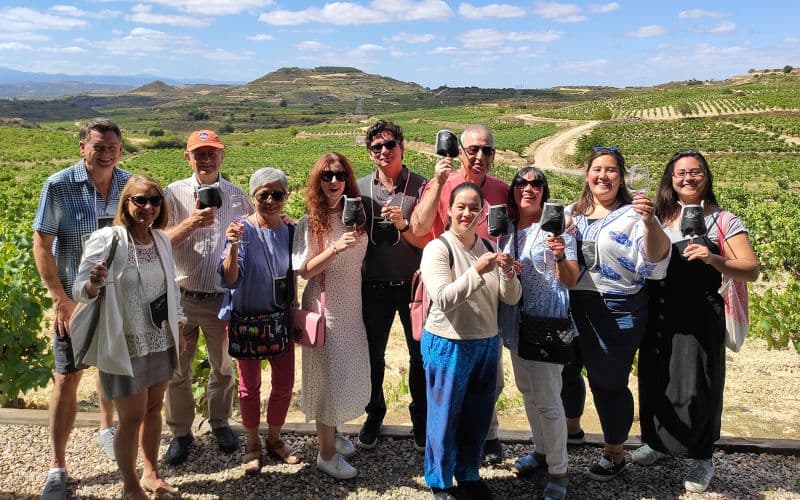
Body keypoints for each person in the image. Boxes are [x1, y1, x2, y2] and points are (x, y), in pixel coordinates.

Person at [633, 150, 759, 493]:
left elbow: (751, 269)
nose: (687, 179)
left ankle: (702, 456)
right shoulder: (660, 215)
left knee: (698, 387)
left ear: (707, 177)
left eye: (695, 172)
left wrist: (713, 257)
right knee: (656, 380)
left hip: (700, 313)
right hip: (659, 310)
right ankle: (658, 443)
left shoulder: (723, 220)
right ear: (670, 180)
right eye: (680, 174)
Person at [33, 118, 130, 499]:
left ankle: (107, 429)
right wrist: (60, 299)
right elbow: (42, 245)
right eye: (97, 146)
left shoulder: (130, 186)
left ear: (120, 150)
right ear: (82, 147)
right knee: (67, 378)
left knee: (112, 369)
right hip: (74, 300)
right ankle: (57, 465)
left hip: (117, 300)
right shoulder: (58, 186)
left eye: (112, 147)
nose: (105, 152)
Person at [560, 147, 671, 481]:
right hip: (570, 305)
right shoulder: (571, 212)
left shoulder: (635, 214)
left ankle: (614, 452)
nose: (602, 176)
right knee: (565, 372)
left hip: (615, 307)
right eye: (596, 169)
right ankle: (572, 430)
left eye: (611, 170)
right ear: (587, 175)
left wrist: (650, 221)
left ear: (621, 177)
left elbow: (656, 258)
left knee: (608, 381)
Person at [73, 175, 184, 500]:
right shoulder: (108, 239)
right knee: (131, 418)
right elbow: (82, 291)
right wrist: (94, 283)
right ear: (126, 203)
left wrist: (179, 324)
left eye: (154, 200)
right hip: (125, 342)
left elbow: (171, 287)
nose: (147, 207)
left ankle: (151, 472)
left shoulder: (161, 240)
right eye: (140, 200)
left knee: (153, 410)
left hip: (160, 339)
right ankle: (130, 485)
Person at [410, 124, 510, 463]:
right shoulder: (443, 183)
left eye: (487, 150)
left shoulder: (501, 190)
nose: (479, 156)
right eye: (473, 149)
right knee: (450, 381)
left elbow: (526, 217)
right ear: (460, 150)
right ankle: (448, 453)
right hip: (449, 292)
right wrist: (437, 182)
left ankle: (487, 434)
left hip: (490, 293)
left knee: (489, 375)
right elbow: (419, 227)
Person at [420, 181, 521, 499]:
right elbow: (442, 298)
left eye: (473, 208)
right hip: (448, 342)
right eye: (460, 206)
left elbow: (511, 298)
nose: (467, 213)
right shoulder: (439, 248)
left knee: (477, 416)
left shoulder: (489, 248)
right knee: (445, 416)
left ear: (482, 213)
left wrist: (508, 274)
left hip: (486, 343)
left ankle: (468, 473)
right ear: (448, 210)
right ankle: (439, 481)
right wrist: (476, 272)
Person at [163, 130, 252, 465]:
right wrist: (192, 222)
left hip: (220, 300)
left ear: (222, 157)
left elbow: (249, 235)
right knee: (177, 370)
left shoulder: (237, 196)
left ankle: (219, 423)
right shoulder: (172, 194)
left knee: (224, 368)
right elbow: (160, 241)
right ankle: (181, 433)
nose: (205, 159)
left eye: (211, 153)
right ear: (187, 158)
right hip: (183, 298)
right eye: (198, 153)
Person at [498, 167, 578, 500]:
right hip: (517, 322)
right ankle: (542, 452)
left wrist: (559, 254)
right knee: (528, 392)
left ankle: (559, 471)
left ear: (544, 190)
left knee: (547, 399)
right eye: (521, 183)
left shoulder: (557, 228)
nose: (528, 188)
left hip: (546, 321)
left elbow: (570, 278)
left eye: (536, 183)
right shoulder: (508, 229)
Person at [293, 152, 370, 479]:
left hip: (351, 307)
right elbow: (305, 271)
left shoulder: (357, 214)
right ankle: (325, 454)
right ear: (318, 181)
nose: (334, 182)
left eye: (339, 175)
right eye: (327, 176)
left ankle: (332, 434)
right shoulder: (311, 221)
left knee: (342, 374)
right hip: (326, 308)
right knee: (329, 380)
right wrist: (336, 247)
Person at [219, 167, 301, 474]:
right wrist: (234, 247)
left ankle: (275, 439)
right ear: (252, 197)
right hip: (247, 319)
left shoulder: (292, 231)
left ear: (286, 197)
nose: (269, 200)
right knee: (248, 387)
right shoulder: (240, 230)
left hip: (280, 318)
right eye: (262, 194)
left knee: (284, 385)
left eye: (276, 194)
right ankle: (252, 444)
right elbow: (229, 278)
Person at [356, 120, 429, 451]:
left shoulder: (423, 188)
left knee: (419, 356)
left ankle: (421, 417)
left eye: (389, 145)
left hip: (414, 285)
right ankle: (375, 412)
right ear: (371, 153)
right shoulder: (358, 189)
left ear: (403, 146)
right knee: (373, 355)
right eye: (376, 147)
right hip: (374, 285)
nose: (384, 151)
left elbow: (432, 235)